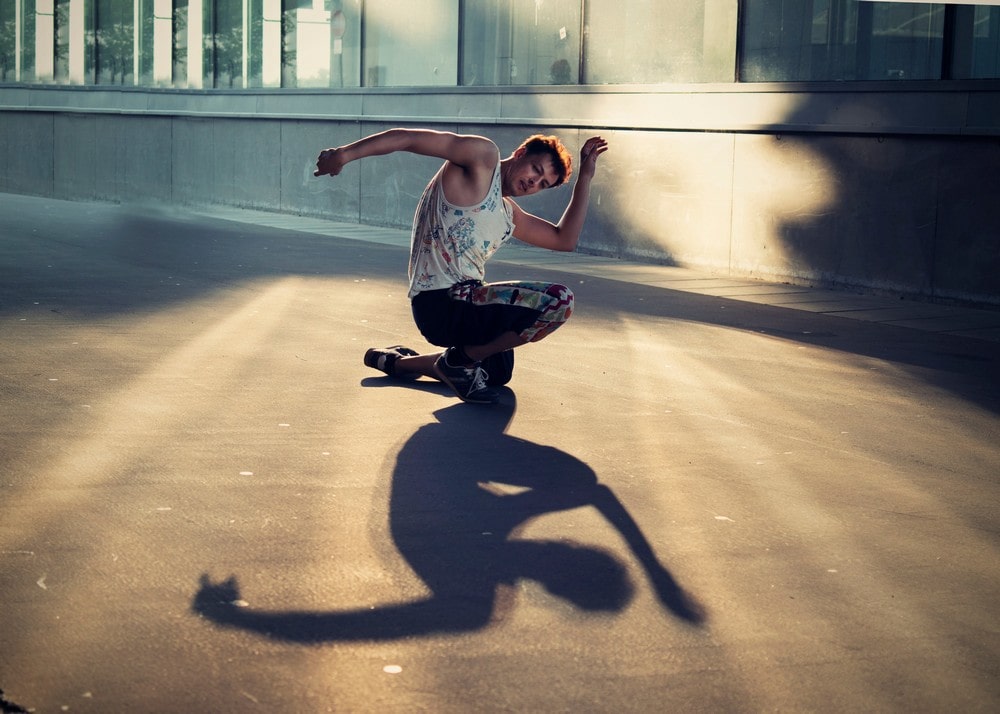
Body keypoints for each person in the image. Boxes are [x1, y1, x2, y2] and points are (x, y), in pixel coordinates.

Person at [314, 128, 608, 403]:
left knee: (497, 372)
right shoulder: (482, 159)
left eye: (543, 184)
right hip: (440, 303)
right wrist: (343, 155)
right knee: (559, 301)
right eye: (536, 169)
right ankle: (458, 362)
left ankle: (399, 363)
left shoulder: (509, 214)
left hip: (468, 303)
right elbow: (407, 138)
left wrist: (586, 177)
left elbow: (564, 239)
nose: (534, 182)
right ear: (520, 154)